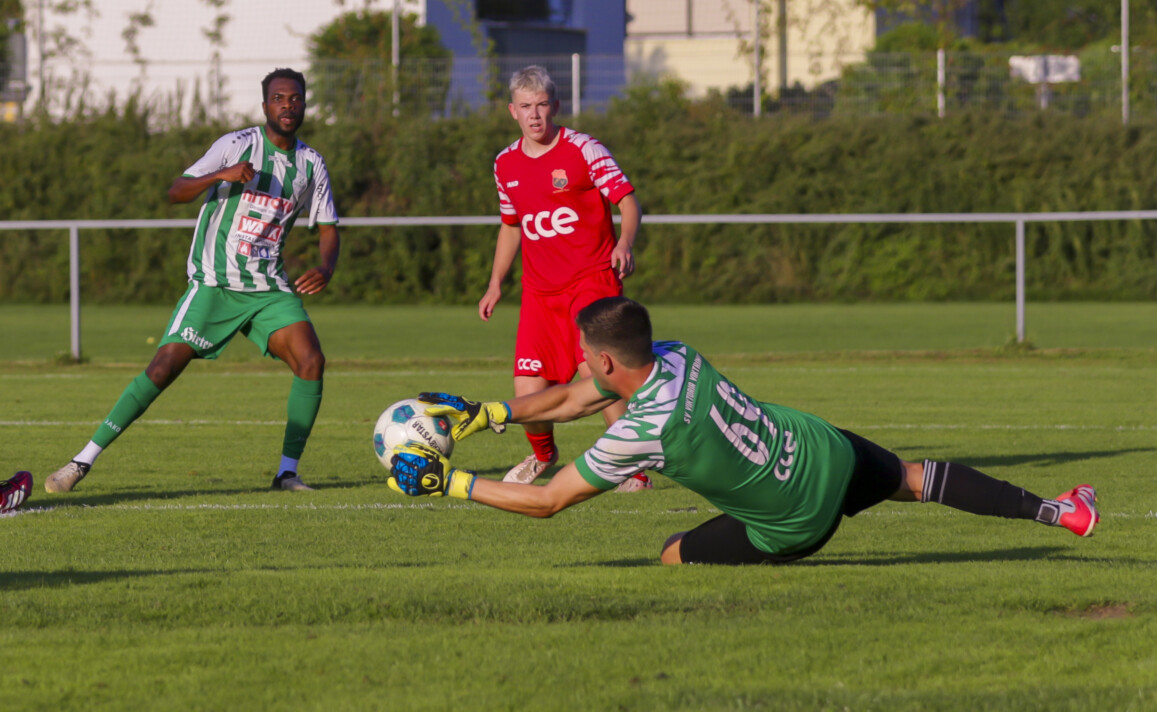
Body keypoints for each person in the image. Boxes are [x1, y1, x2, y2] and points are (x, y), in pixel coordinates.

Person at [387, 297, 1099, 566]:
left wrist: (447, 481)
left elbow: (547, 502)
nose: (580, 364)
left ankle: (749, 542)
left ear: (607, 359)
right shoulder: (675, 355)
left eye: (584, 352)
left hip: (794, 521)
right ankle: (1062, 512)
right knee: (917, 479)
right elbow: (577, 397)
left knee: (670, 556)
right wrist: (491, 414)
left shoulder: (641, 431)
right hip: (822, 447)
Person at [44, 68, 340, 494]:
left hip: (267, 289)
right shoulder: (237, 145)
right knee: (163, 368)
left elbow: (329, 228)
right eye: (278, 98)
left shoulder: (311, 164)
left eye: (295, 99)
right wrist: (218, 176)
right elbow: (176, 191)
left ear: (304, 104)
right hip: (214, 285)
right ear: (265, 106)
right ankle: (81, 462)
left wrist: (326, 267)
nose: (287, 106)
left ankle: (287, 473)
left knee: (311, 362)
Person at [479, 65, 650, 491]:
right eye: (525, 107)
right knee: (527, 386)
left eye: (541, 105)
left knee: (598, 377)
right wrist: (496, 281)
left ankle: (633, 470)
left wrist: (624, 244)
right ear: (511, 112)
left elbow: (628, 202)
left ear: (555, 106)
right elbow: (512, 224)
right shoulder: (505, 163)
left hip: (591, 281)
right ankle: (543, 455)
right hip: (540, 293)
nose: (534, 115)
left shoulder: (583, 149)